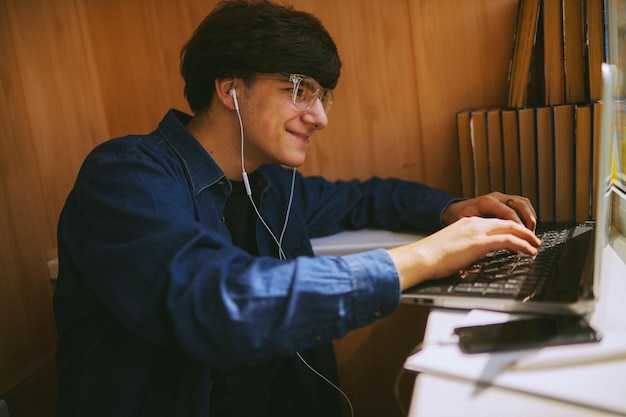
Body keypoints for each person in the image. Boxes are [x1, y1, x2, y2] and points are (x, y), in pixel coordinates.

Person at [53, 1, 541, 416]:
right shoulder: (124, 175)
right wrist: (427, 257)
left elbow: (363, 198)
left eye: (322, 94)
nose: (321, 116)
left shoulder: (270, 184)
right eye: (298, 90)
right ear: (230, 90)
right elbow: (217, 301)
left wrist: (450, 210)